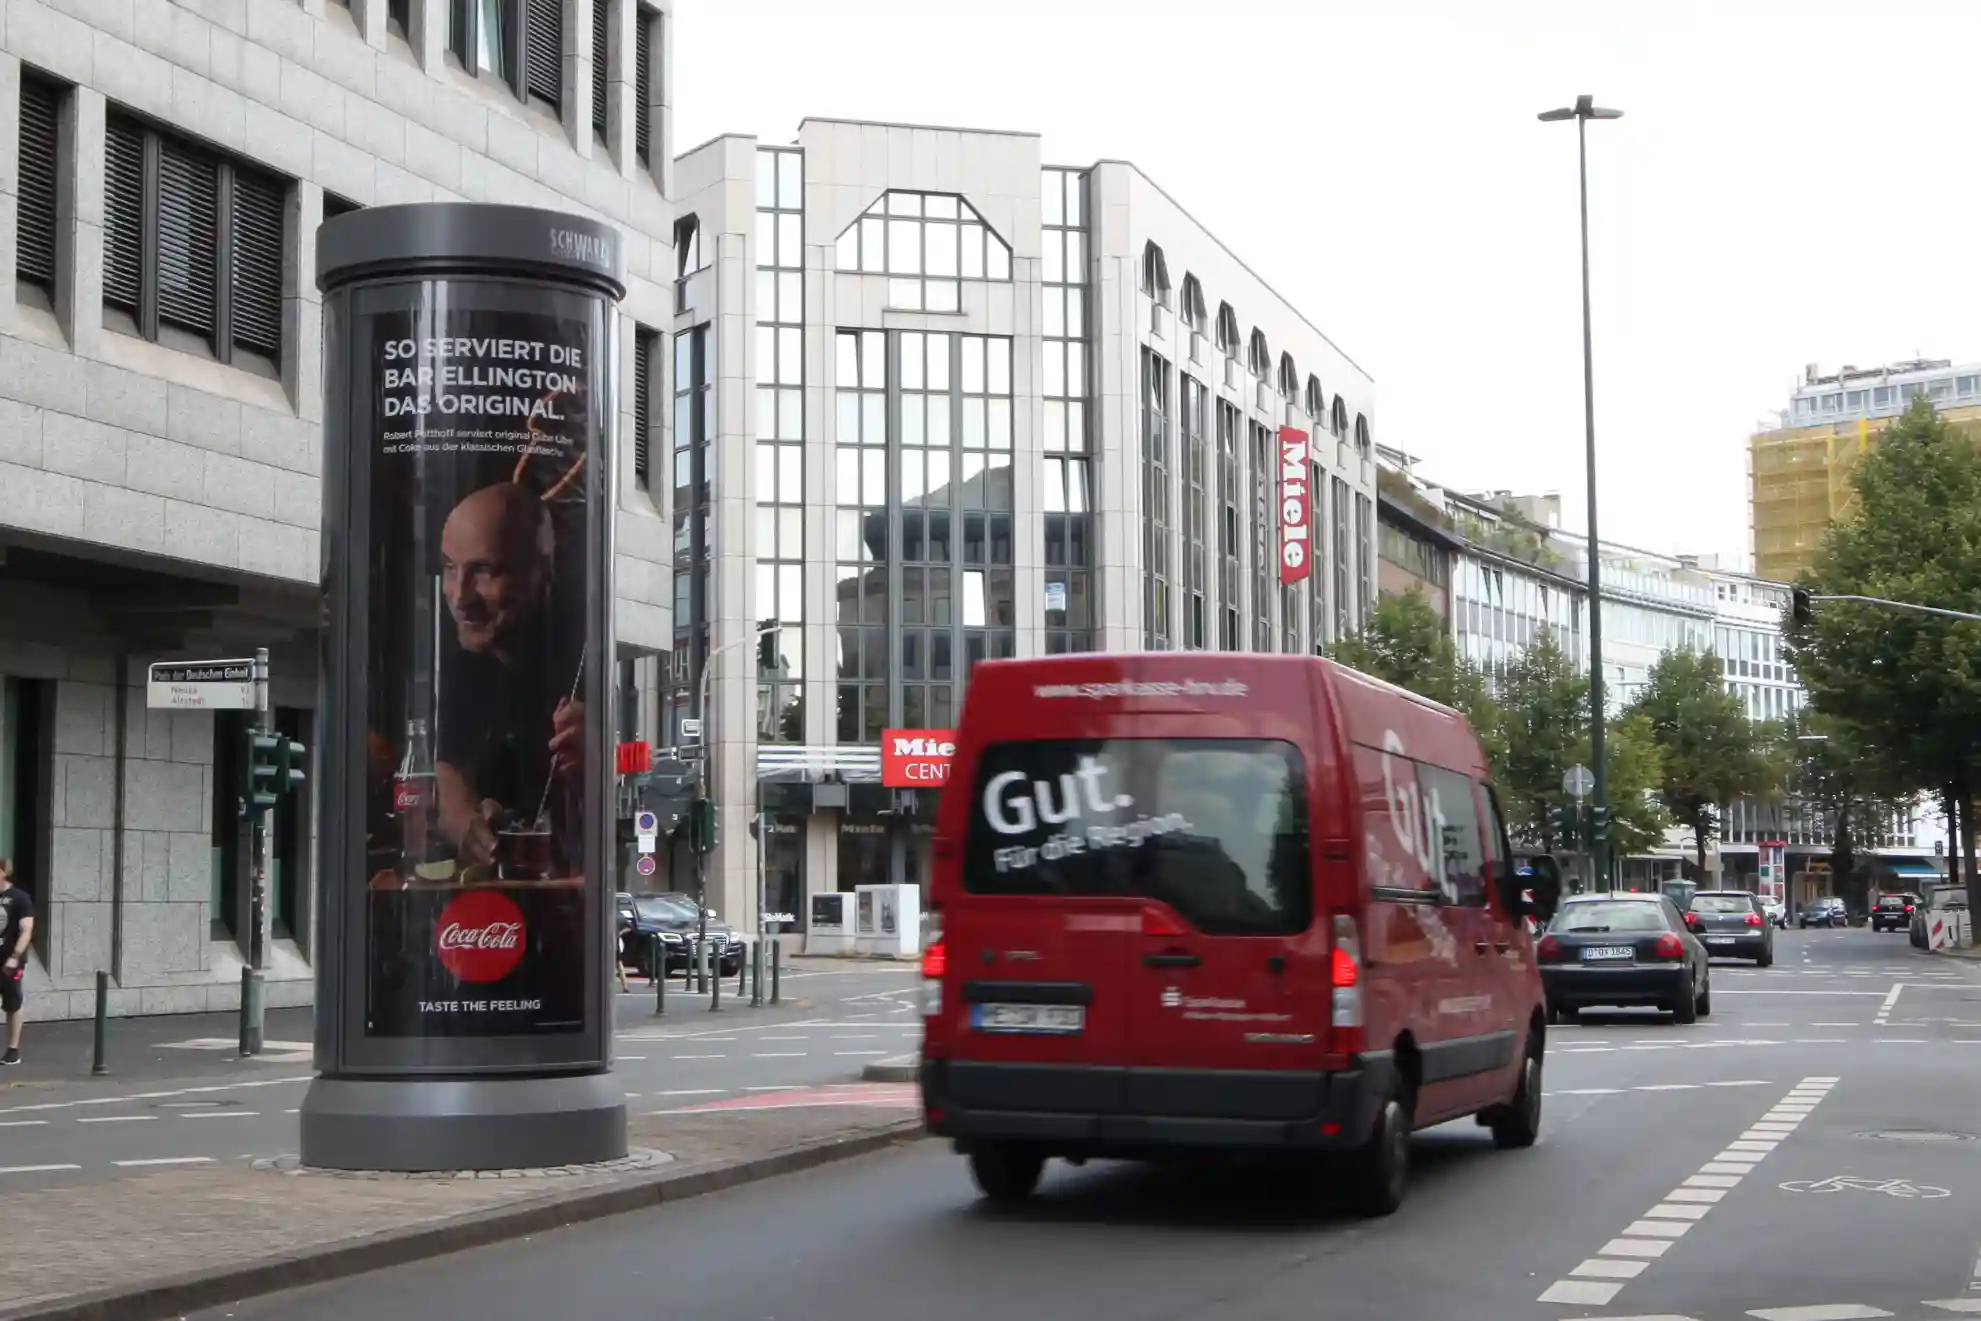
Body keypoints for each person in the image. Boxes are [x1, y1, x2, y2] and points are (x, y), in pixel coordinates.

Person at [433, 482, 585, 871]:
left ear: (543, 573)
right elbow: (447, 767)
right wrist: (465, 821)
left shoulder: (583, 658)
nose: (460, 598)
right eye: (451, 569)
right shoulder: (462, 658)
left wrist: (594, 765)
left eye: (484, 571)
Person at [0, 860, 33, 1065]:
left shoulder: (19, 898)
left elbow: (26, 930)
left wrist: (15, 957)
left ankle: (13, 1050)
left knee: (12, 1003)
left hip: (8, 962)